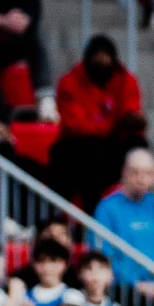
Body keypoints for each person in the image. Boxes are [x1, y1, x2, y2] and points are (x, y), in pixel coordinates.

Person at [50, 35, 147, 210]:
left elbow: (131, 108)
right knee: (91, 153)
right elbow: (76, 125)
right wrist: (114, 126)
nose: (101, 60)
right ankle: (91, 214)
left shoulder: (125, 80)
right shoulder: (70, 82)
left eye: (105, 56)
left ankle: (137, 205)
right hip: (77, 149)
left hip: (111, 147)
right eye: (97, 56)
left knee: (138, 146)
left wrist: (132, 120)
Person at [92, 146, 154, 306]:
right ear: (124, 173)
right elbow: (102, 253)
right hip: (123, 291)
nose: (141, 178)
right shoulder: (107, 209)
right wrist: (134, 284)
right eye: (135, 172)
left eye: (147, 173)